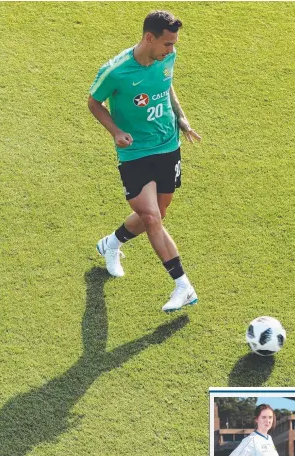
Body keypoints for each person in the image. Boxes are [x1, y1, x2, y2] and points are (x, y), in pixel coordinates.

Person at [88, 10, 201, 312]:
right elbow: (94, 102)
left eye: (174, 44)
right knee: (152, 218)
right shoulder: (116, 71)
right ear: (149, 38)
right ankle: (182, 285)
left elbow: (167, 87)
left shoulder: (166, 59)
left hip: (167, 145)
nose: (172, 50)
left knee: (158, 214)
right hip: (135, 152)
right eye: (167, 44)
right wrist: (115, 131)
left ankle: (111, 244)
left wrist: (182, 119)